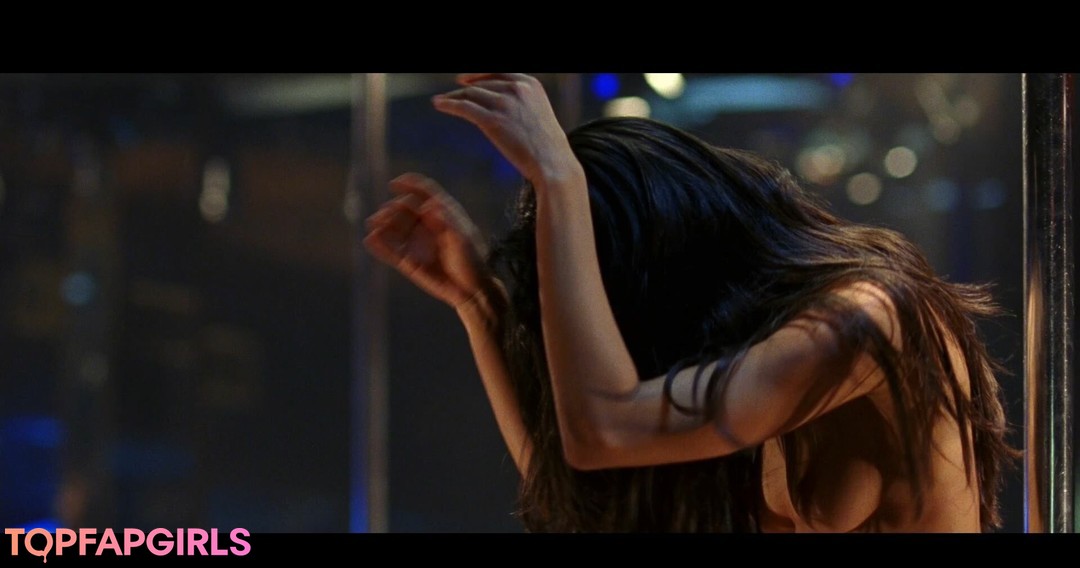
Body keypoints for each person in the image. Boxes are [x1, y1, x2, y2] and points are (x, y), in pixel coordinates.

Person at [363, 73, 1018, 532]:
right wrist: (479, 305)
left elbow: (605, 433)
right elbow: (588, 504)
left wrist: (559, 178)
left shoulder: (871, 317)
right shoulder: (759, 358)